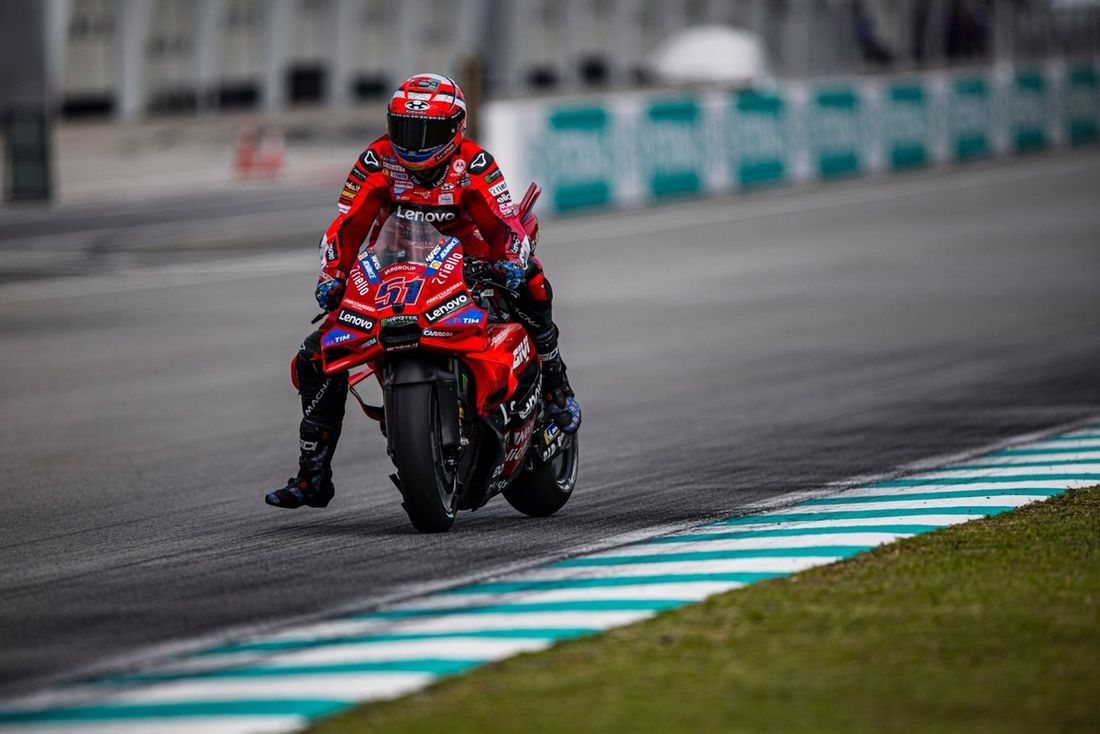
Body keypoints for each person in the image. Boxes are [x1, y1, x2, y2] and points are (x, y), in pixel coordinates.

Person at [265, 74, 581, 510]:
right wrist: (332, 275)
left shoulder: (475, 164)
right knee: (315, 356)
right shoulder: (376, 160)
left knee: (532, 283)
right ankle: (313, 474)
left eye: (426, 132)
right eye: (404, 129)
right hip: (399, 262)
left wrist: (509, 260)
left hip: (471, 257)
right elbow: (347, 224)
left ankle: (557, 389)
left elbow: (503, 223)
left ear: (455, 128)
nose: (412, 144)